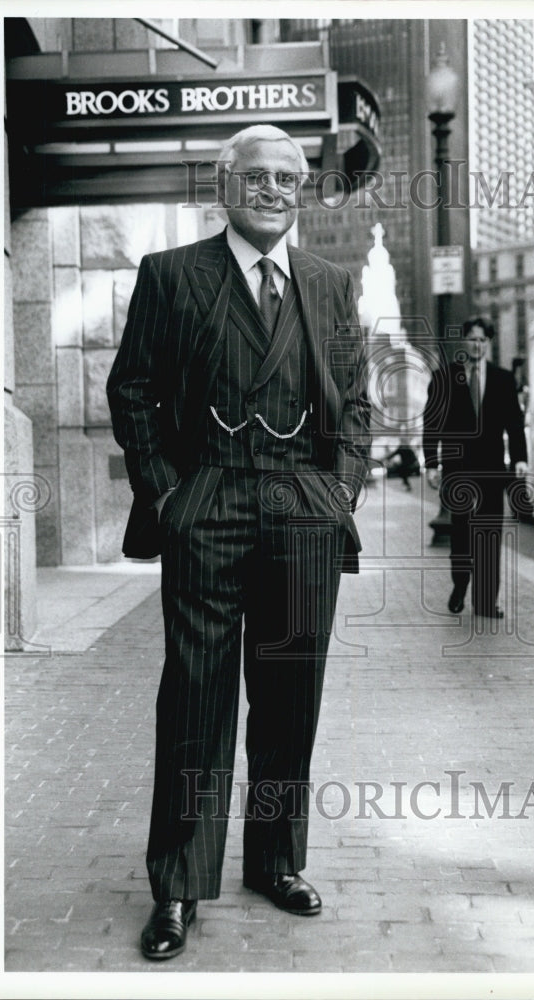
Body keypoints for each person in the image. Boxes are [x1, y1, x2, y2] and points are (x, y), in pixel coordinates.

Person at [106, 125, 371, 961]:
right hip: (208, 498)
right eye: (254, 176)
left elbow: (356, 397)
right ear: (224, 186)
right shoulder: (171, 274)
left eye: (287, 178)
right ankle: (179, 884)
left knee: (290, 697)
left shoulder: (329, 283)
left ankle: (275, 861)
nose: (271, 190)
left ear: (302, 190)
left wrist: (340, 490)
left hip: (304, 505)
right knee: (196, 696)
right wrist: (168, 492)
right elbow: (133, 387)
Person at [422, 316, 528, 619]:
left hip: (492, 470)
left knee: (489, 535)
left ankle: (485, 601)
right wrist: (432, 463)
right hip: (457, 470)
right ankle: (460, 585)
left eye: (482, 340)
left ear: (489, 343)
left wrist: (520, 458)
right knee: (461, 535)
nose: (477, 345)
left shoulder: (503, 380)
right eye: (472, 339)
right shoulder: (444, 378)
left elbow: (515, 424)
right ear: (464, 341)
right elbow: (432, 423)